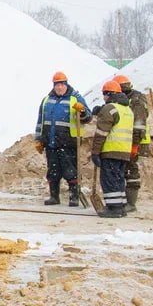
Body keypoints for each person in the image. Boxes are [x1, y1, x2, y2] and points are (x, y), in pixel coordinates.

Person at [34, 71, 92, 207]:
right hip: (50, 142)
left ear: (66, 84)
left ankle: (74, 197)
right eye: (57, 85)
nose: (59, 87)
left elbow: (88, 118)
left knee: (70, 171)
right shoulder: (47, 100)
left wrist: (82, 111)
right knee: (53, 171)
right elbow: (40, 121)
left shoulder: (75, 98)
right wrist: (38, 139)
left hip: (68, 143)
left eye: (62, 84)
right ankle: (54, 196)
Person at [90, 79, 135, 218]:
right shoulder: (127, 109)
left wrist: (95, 152)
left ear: (109, 94)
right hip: (124, 151)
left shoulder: (110, 109)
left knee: (109, 179)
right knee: (119, 179)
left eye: (104, 94)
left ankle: (113, 208)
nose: (103, 97)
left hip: (111, 150)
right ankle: (120, 206)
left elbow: (101, 133)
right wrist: (101, 111)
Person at [113, 74, 150, 212]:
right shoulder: (127, 99)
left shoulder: (136, 101)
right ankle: (124, 200)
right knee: (124, 170)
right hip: (126, 141)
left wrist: (135, 144)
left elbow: (139, 125)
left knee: (131, 170)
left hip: (134, 141)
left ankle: (131, 203)